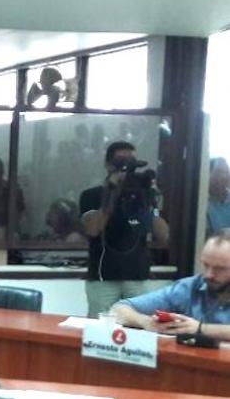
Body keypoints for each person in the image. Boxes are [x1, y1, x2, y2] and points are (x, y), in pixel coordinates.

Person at [80, 141, 169, 316]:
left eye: (131, 161)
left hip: (138, 276)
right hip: (103, 277)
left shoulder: (141, 194)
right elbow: (93, 229)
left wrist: (151, 201)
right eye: (120, 161)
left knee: (142, 329)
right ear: (107, 165)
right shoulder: (92, 195)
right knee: (100, 332)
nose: (127, 167)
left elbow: (163, 235)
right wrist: (111, 193)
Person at [112, 232, 230, 339]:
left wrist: (200, 329)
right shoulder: (188, 288)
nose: (208, 274)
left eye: (220, 269)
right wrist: (146, 322)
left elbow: (198, 329)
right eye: (205, 265)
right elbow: (119, 309)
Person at [207, 157, 230, 236]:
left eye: (227, 172)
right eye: (219, 172)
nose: (224, 176)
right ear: (208, 174)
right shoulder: (202, 204)